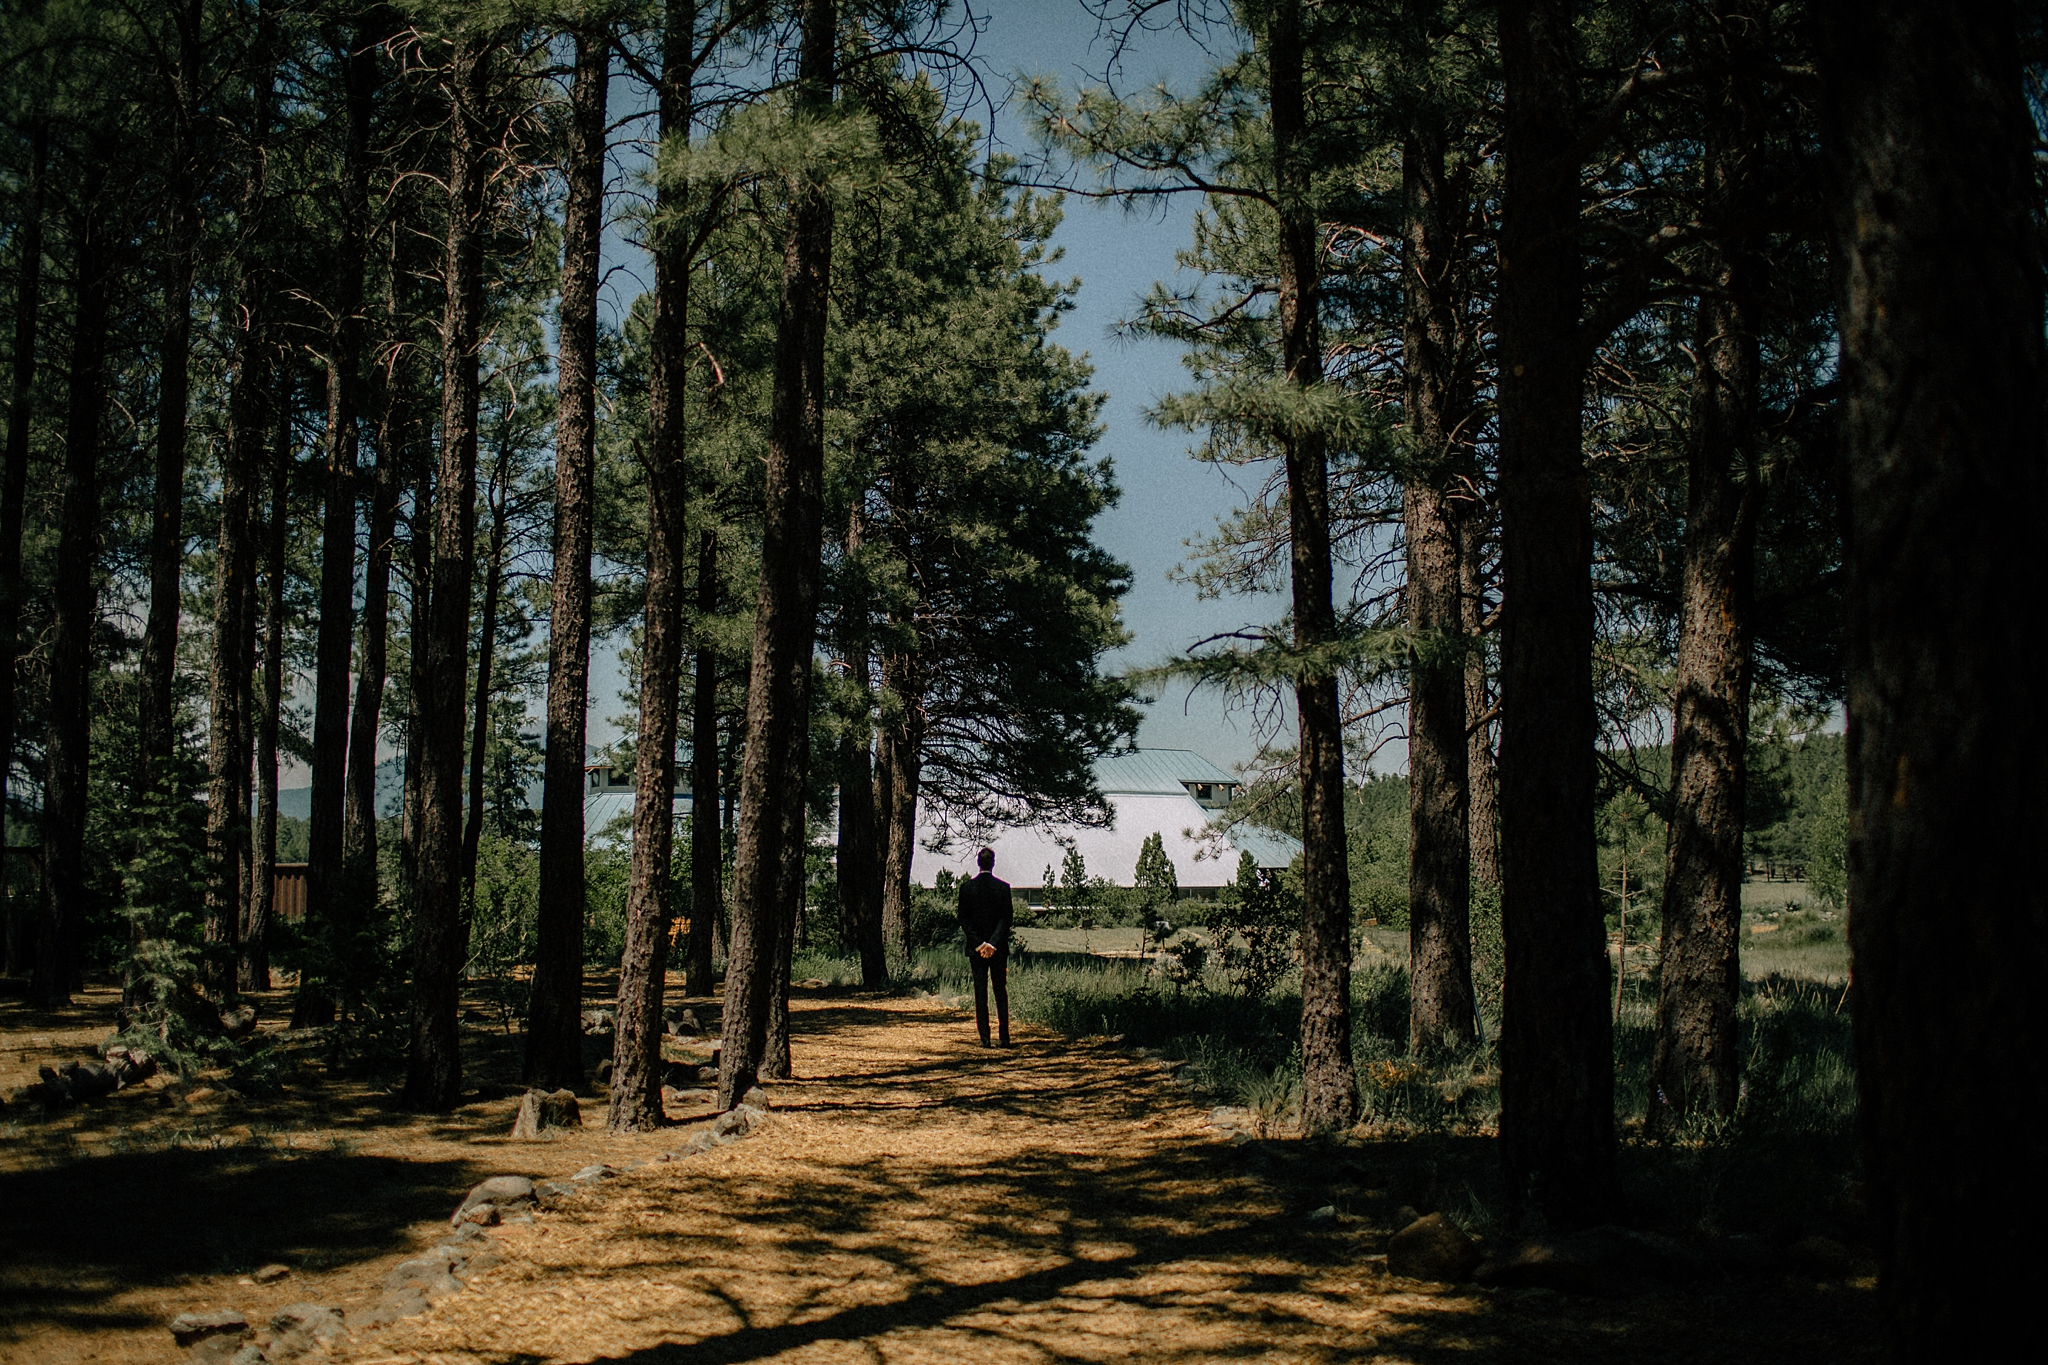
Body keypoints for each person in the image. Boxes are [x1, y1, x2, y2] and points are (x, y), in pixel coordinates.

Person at [955, 846, 1013, 1047]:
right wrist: (993, 943)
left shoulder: (967, 889)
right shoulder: (1003, 888)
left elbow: (964, 920)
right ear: (993, 863)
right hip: (998, 950)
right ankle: (1004, 1038)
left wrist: (979, 944)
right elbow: (1006, 919)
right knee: (1000, 991)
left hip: (976, 950)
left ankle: (985, 1038)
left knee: (981, 993)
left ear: (978, 863)